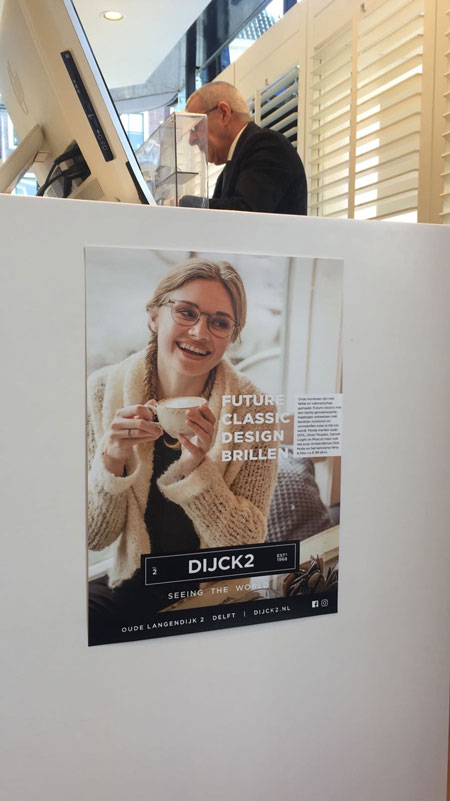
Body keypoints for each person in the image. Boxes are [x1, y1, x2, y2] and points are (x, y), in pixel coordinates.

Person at [87, 258, 279, 643]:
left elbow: (246, 545)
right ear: (154, 316)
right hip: (133, 581)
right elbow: (95, 536)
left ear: (231, 336)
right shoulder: (104, 391)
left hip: (215, 588)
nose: (199, 332)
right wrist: (112, 458)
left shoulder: (254, 408)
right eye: (186, 312)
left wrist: (196, 470)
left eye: (219, 322)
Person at [185, 81, 307, 215]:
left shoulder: (268, 145)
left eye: (195, 126)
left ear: (224, 113)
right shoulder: (227, 171)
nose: (191, 140)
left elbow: (246, 213)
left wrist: (182, 204)